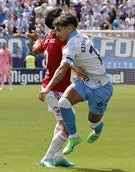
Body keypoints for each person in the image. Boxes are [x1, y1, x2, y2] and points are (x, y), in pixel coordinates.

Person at [39, 14, 113, 155]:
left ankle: (97, 130)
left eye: (59, 30)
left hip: (101, 87)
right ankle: (74, 137)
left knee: (93, 123)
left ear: (70, 28)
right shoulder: (80, 36)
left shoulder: (72, 43)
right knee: (64, 102)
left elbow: (62, 69)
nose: (57, 33)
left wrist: (47, 88)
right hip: (84, 82)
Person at [27, 7, 76, 168]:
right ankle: (48, 158)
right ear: (56, 23)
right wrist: (76, 68)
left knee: (62, 122)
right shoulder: (62, 39)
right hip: (53, 89)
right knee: (68, 124)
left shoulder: (48, 37)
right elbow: (67, 60)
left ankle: (59, 157)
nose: (65, 17)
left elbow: (34, 51)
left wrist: (34, 39)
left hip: (57, 88)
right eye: (61, 16)